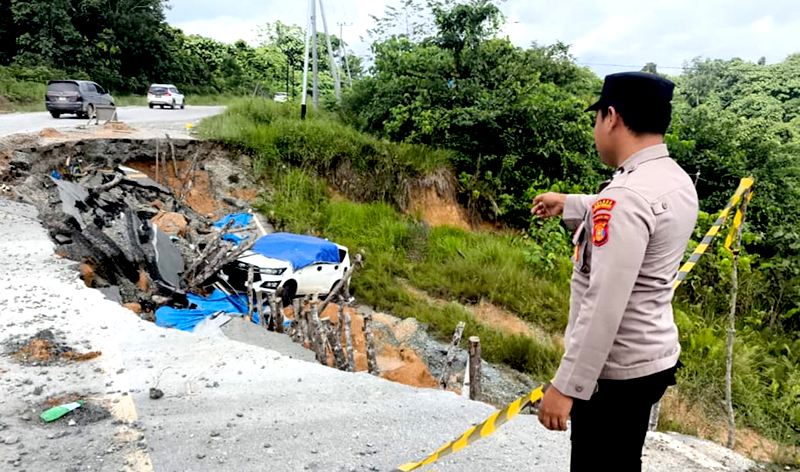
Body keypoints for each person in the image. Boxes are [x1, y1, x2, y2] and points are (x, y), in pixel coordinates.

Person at [532, 72, 699, 471]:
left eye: (597, 118)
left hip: (615, 375)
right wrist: (573, 203)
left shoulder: (625, 196)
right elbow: (633, 213)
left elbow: (604, 304)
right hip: (651, 358)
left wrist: (567, 386)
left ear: (612, 117)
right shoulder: (674, 179)